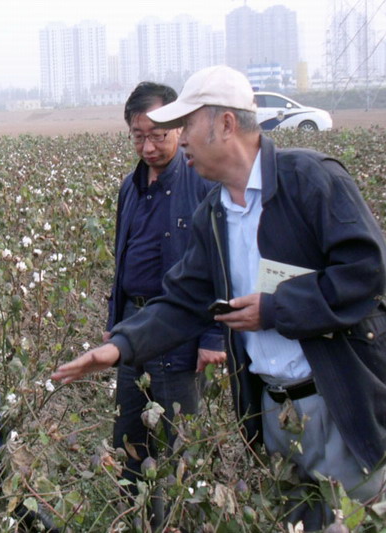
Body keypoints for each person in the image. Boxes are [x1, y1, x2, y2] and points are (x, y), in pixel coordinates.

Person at [52, 65, 386, 530]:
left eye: (186, 126)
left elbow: (367, 272)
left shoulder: (310, 180)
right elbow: (183, 301)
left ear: (224, 124)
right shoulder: (214, 214)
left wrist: (275, 309)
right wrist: (120, 346)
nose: (180, 140)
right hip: (275, 411)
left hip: (340, 400)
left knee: (358, 520)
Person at [106, 82, 225, 528]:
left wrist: (214, 334)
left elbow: (220, 262)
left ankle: (179, 522)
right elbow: (122, 257)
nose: (148, 147)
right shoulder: (131, 186)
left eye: (158, 135)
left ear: (179, 128)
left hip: (180, 329)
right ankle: (140, 522)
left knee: (178, 446)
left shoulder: (202, 183)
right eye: (138, 136)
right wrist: (115, 322)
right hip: (133, 325)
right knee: (129, 438)